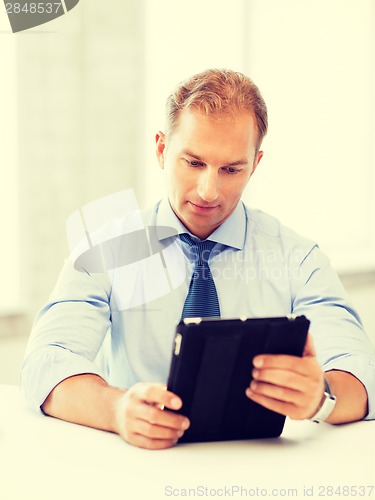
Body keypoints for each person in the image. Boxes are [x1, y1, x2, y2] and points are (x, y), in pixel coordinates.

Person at [21, 69, 375, 450]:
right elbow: (46, 363)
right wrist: (116, 409)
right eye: (193, 163)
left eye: (231, 169)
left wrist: (321, 395)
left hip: (262, 469)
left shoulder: (297, 258)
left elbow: (362, 375)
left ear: (254, 165)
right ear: (161, 150)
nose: (208, 191)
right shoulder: (108, 250)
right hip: (141, 466)